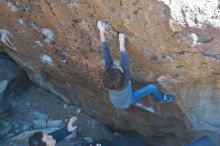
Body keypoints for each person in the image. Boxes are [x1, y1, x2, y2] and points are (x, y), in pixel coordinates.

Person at [97, 20, 175, 111]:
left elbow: (106, 53)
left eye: (115, 66)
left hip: (116, 101)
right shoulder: (125, 80)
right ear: (123, 76)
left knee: (125, 84)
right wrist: (121, 42)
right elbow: (124, 60)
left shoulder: (108, 74)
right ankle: (160, 99)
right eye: (118, 67)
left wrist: (101, 31)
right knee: (152, 87)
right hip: (127, 101)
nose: (117, 64)